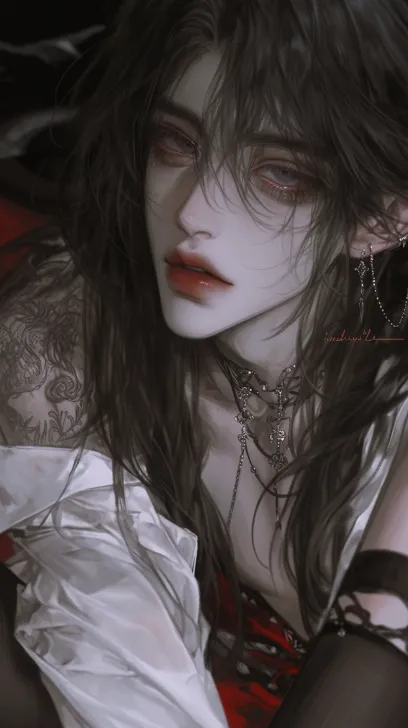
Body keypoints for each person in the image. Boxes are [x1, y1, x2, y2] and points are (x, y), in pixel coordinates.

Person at [1, 0, 408, 726]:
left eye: (279, 174)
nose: (193, 212)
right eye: (178, 143)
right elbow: (128, 700)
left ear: (380, 220)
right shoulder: (69, 353)